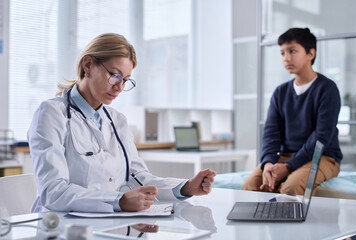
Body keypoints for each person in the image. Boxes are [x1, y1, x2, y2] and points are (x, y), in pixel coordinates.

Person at [28, 33, 216, 213]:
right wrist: (118, 201)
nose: (119, 87)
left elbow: (138, 177)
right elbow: (53, 191)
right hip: (61, 227)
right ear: (88, 64)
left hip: (109, 223)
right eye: (114, 75)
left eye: (125, 80)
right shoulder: (51, 114)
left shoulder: (117, 120)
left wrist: (185, 188)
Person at [243, 27, 342, 195]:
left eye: (292, 51)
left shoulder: (327, 89)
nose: (286, 58)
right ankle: (262, 221)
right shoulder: (280, 92)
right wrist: (267, 163)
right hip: (286, 156)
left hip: (323, 157)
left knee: (291, 188)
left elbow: (321, 137)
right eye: (282, 53)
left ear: (311, 53)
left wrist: (289, 167)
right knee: (251, 184)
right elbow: (271, 133)